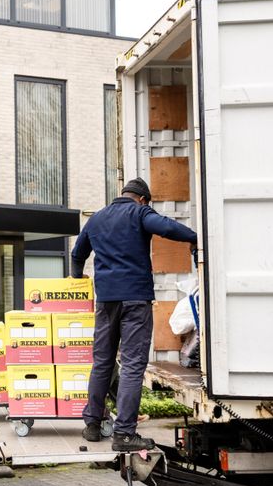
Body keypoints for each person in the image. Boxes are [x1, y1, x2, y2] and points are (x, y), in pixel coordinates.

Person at [72, 177, 197, 452]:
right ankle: (125, 434)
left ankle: (92, 424)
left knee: (102, 361)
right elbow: (166, 227)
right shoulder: (140, 212)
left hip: (105, 300)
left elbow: (77, 253)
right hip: (135, 300)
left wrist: (76, 276)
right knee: (131, 365)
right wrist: (193, 237)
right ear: (142, 199)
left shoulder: (96, 218)